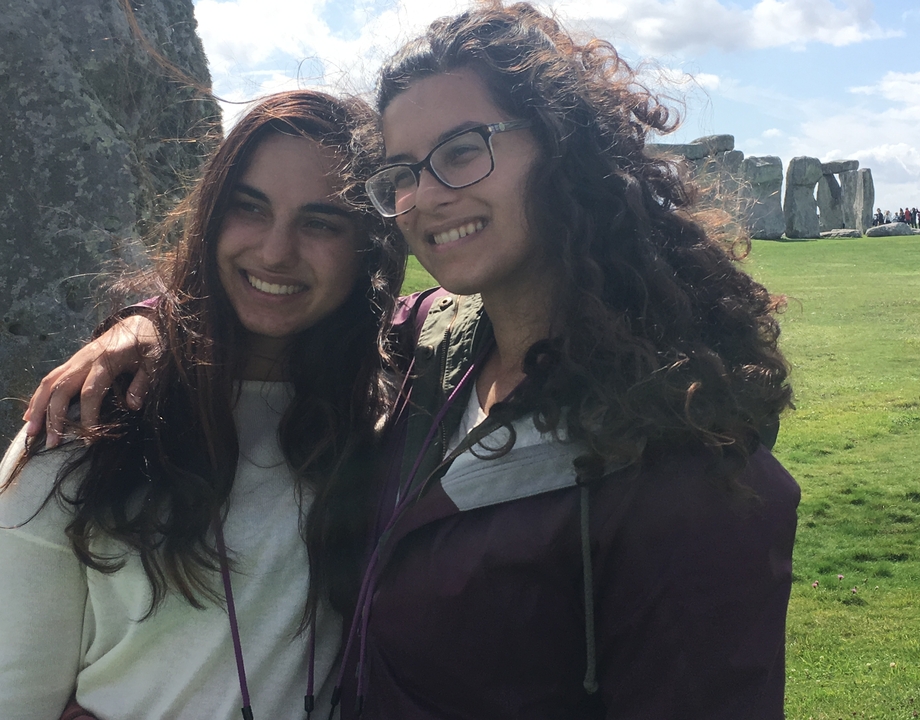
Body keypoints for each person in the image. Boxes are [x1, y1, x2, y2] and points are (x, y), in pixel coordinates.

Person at [25, 3, 800, 718]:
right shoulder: (435, 345)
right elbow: (286, 299)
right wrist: (148, 325)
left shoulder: (690, 465)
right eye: (400, 173)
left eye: (462, 151)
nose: (426, 197)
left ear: (566, 147)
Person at [0, 90, 403, 719]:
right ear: (211, 215)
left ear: (369, 249)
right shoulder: (86, 426)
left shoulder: (388, 415)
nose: (275, 252)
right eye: (250, 207)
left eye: (321, 222)